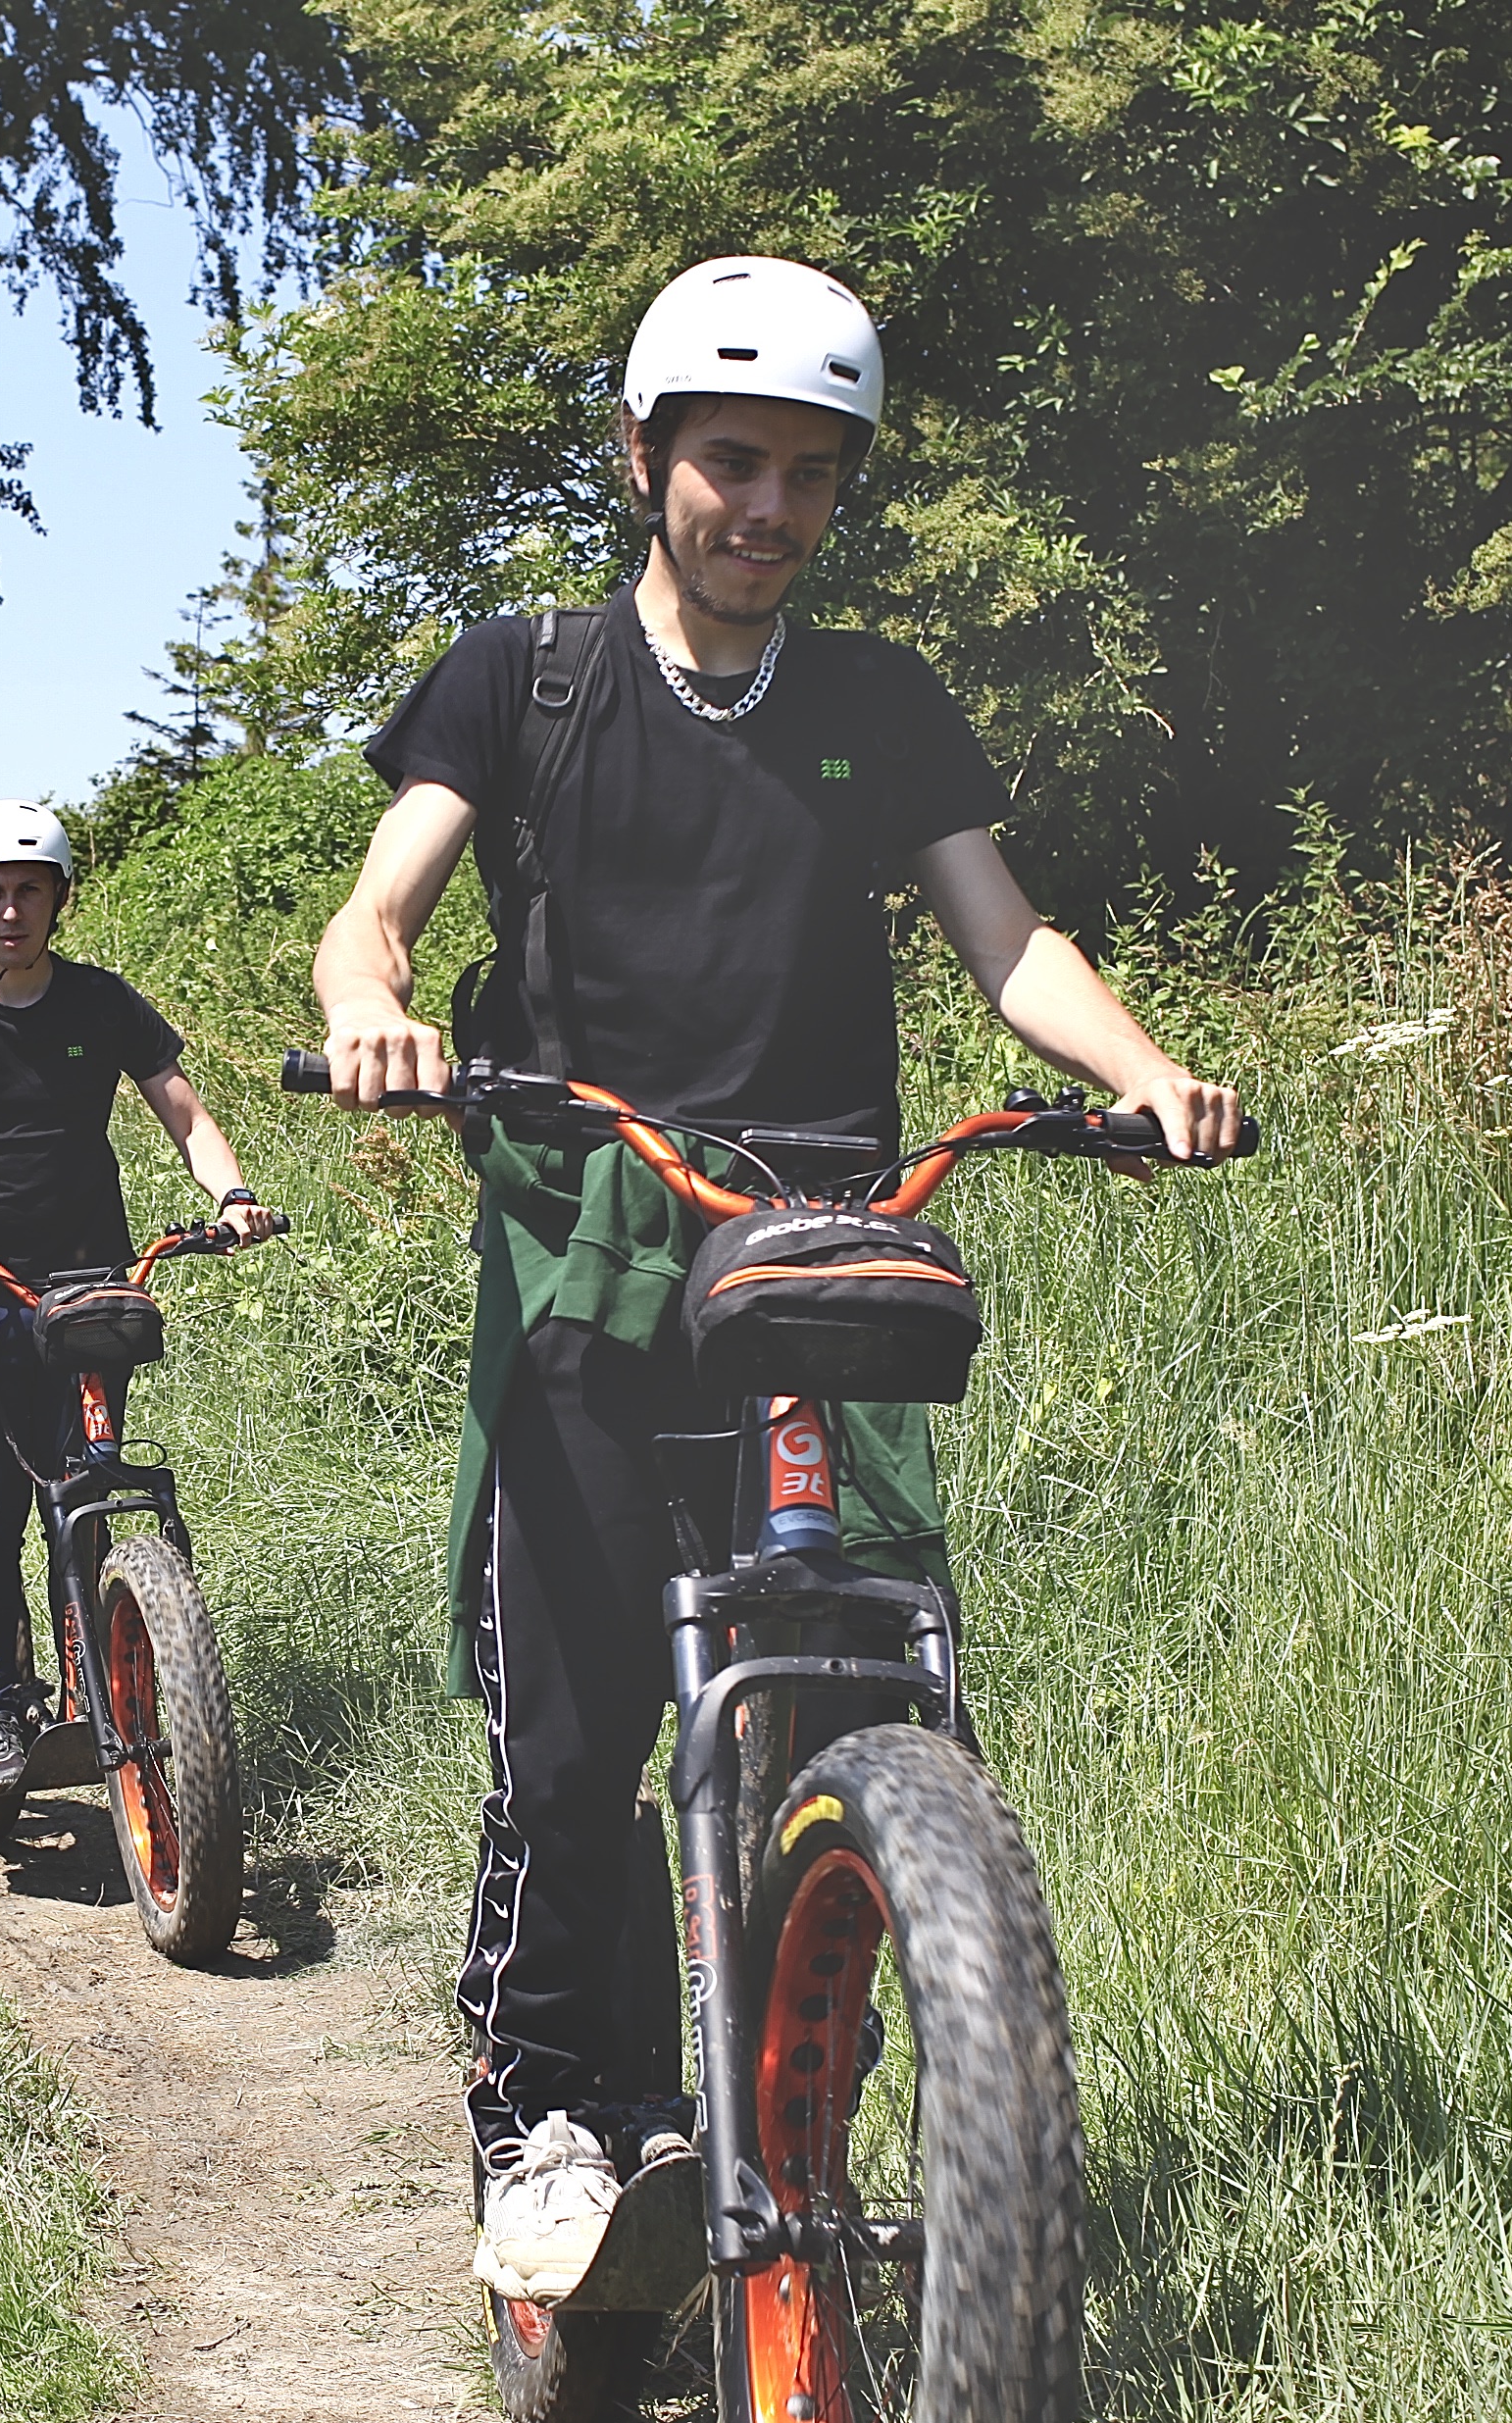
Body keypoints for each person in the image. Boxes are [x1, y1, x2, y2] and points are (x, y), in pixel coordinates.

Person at [308, 257, 1246, 2301]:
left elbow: (1009, 943)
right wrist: (372, 1004)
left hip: (813, 1243)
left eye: (811, 474)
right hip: (585, 1238)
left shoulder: (877, 705)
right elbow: (376, 912)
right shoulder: (526, 678)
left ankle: (808, 2101)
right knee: (570, 1740)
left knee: (849, 1684)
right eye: (731, 459)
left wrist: (1148, 1068)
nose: (767, 506)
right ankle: (562, 2116)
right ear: (644, 458)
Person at [0, 798, 285, 1791]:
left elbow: (188, 1119)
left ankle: (116, 1691)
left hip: (89, 1284)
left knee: (87, 1488)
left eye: (30, 888)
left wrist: (232, 1193)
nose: (11, 908)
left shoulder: (102, 1003)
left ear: (59, 898)